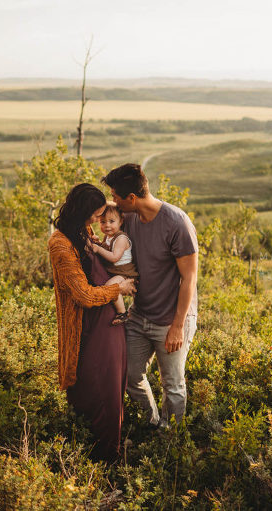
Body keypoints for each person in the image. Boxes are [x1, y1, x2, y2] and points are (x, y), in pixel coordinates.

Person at [102, 163, 198, 428]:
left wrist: (178, 326)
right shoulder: (128, 218)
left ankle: (171, 441)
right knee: (130, 375)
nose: (114, 201)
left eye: (116, 196)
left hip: (171, 319)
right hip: (140, 315)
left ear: (131, 198)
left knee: (173, 385)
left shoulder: (177, 223)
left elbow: (189, 278)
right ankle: (155, 427)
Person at [48, 183, 136, 462]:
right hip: (88, 328)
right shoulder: (60, 243)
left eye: (101, 216)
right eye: (95, 215)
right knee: (90, 390)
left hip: (109, 325)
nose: (98, 221)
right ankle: (88, 459)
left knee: (111, 393)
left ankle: (109, 457)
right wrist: (118, 289)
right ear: (82, 211)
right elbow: (83, 295)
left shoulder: (83, 231)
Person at [89, 203, 139, 326]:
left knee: (110, 286)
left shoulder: (121, 238)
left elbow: (114, 257)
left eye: (112, 221)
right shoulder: (108, 237)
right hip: (116, 271)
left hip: (124, 273)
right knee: (110, 286)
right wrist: (99, 243)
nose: (107, 225)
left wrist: (98, 249)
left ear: (121, 221)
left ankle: (122, 313)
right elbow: (108, 249)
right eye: (103, 222)